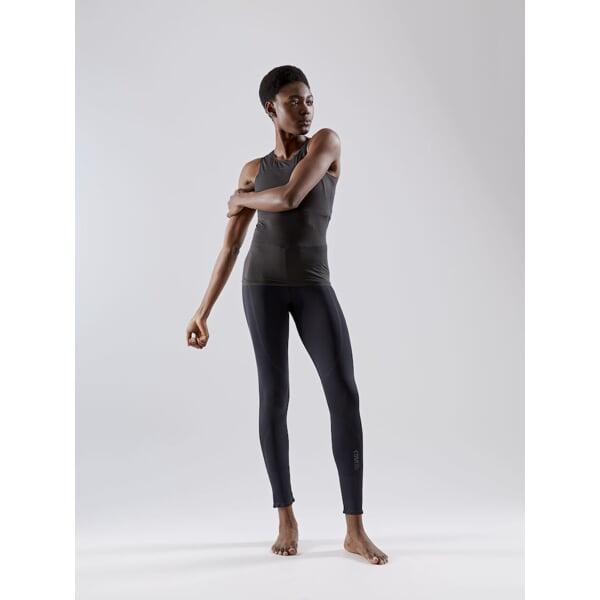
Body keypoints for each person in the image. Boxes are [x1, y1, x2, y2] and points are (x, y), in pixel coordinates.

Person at [186, 65, 388, 565]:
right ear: (270, 109)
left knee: (344, 394)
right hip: (261, 288)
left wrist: (240, 199)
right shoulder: (253, 169)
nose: (306, 109)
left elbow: (292, 196)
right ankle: (285, 517)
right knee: (274, 398)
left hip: (314, 285)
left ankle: (354, 529)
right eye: (294, 101)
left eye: (309, 99)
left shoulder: (325, 144)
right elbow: (231, 247)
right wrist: (203, 310)